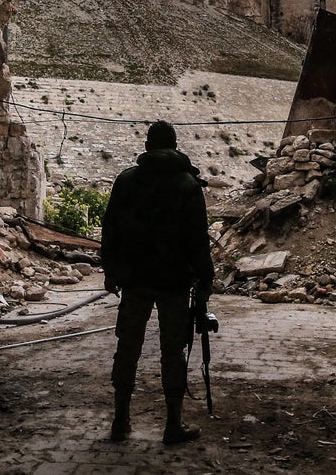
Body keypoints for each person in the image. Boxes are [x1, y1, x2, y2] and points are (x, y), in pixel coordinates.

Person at [101, 120, 215, 444]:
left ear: (148, 145)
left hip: (135, 280)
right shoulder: (187, 184)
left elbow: (111, 231)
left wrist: (110, 271)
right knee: (173, 350)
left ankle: (120, 422)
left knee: (127, 347)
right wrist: (205, 279)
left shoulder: (126, 181)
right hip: (174, 282)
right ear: (175, 145)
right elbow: (198, 240)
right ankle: (172, 425)